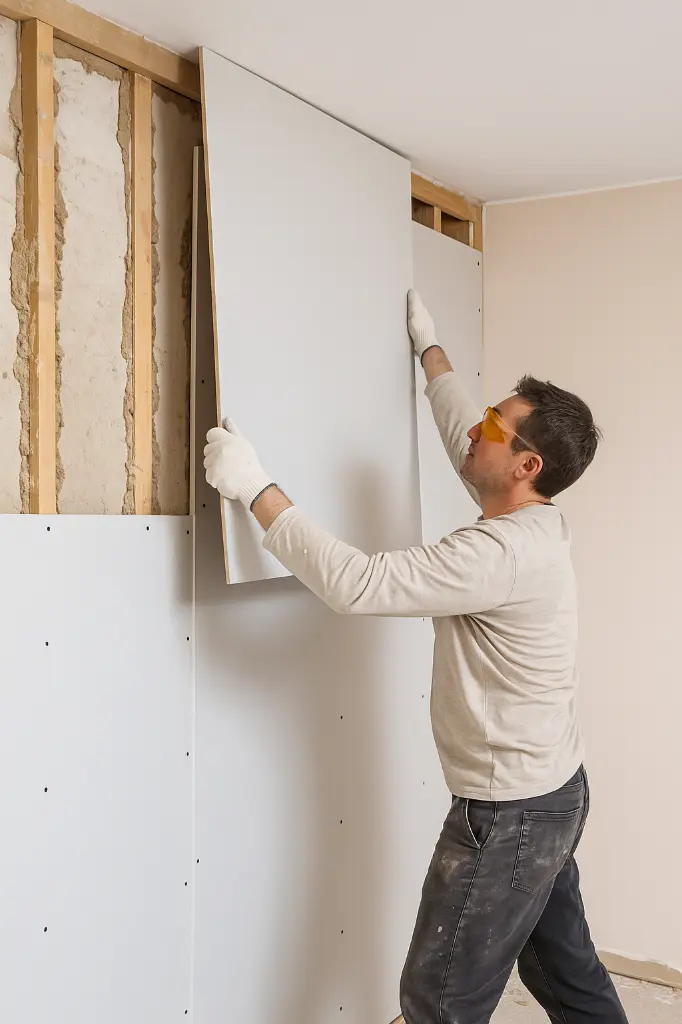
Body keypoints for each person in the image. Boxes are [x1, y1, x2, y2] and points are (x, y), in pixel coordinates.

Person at [203, 290, 629, 1024]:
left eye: (494, 426)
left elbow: (357, 583)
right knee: (569, 974)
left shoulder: (496, 554)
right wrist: (431, 353)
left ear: (525, 463)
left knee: (437, 1003)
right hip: (555, 790)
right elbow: (462, 426)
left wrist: (255, 490)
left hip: (512, 815)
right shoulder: (536, 518)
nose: (476, 430)